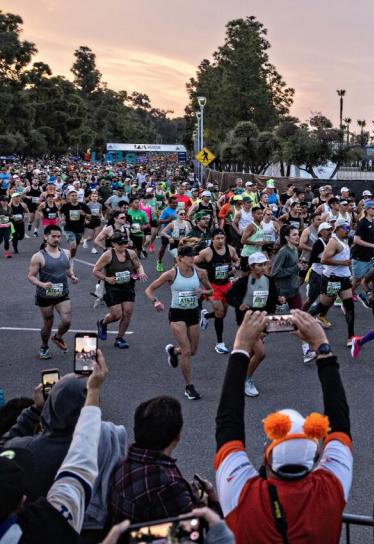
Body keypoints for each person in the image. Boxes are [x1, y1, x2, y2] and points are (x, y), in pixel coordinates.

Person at [214, 310, 353, 544]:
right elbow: (340, 422)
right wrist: (321, 344)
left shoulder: (243, 495)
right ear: (316, 457)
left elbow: (228, 423)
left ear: (267, 459)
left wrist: (240, 347)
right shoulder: (331, 489)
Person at [0, 351, 119, 542]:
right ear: (21, 504)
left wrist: (33, 411)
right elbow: (78, 463)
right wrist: (93, 391)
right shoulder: (108, 443)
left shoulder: (22, 450)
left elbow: (5, 448)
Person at [108, 395, 214, 524]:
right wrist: (203, 504)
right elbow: (191, 530)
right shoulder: (168, 485)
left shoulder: (122, 464)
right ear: (178, 435)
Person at [145, 245, 213, 400]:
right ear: (180, 258)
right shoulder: (171, 274)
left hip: (193, 313)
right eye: (189, 256)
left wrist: (202, 292)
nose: (192, 258)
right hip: (177, 314)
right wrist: (155, 301)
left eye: (193, 256)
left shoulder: (200, 273)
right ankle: (189, 387)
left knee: (193, 350)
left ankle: (173, 351)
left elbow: (211, 291)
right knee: (187, 351)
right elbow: (149, 289)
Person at [225, 252, 280, 397]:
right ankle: (245, 380)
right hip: (247, 322)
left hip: (262, 320)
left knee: (249, 353)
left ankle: (236, 377)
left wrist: (279, 299)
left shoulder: (269, 280)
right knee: (261, 353)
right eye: (260, 265)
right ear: (251, 267)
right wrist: (239, 305)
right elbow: (229, 296)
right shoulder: (243, 282)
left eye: (265, 264)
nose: (263, 267)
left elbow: (273, 297)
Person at [26, 225, 79, 359]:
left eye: (58, 236)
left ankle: (58, 337)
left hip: (62, 293)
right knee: (48, 323)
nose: (56, 239)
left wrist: (72, 276)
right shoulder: (38, 257)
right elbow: (31, 276)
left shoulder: (66, 253)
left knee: (67, 320)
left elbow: (67, 269)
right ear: (46, 237)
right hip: (45, 295)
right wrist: (42, 284)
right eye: (53, 236)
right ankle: (44, 346)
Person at [307, 219, 358, 344]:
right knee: (322, 306)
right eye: (345, 228)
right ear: (338, 229)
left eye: (348, 228)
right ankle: (300, 321)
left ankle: (351, 337)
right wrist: (343, 263)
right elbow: (324, 259)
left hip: (344, 279)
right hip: (333, 279)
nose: (348, 230)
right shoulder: (333, 242)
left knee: (350, 307)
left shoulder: (344, 240)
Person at [92, 232, 146, 349]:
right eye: (120, 244)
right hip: (112, 288)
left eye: (125, 243)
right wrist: (107, 278)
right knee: (117, 315)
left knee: (127, 313)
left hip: (128, 287)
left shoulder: (131, 253)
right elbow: (95, 270)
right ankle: (103, 323)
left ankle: (119, 338)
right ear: (113, 244)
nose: (123, 246)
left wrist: (141, 272)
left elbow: (138, 265)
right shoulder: (107, 255)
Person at [196, 228, 240, 354]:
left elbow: (237, 260)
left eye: (222, 238)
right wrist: (201, 273)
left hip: (226, 285)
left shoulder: (230, 250)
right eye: (218, 238)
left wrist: (235, 267)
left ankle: (206, 315)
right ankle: (219, 343)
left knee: (222, 314)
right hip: (212, 286)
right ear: (212, 239)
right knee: (220, 313)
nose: (221, 241)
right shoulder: (206, 252)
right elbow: (192, 262)